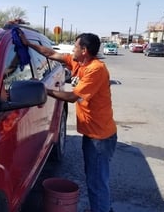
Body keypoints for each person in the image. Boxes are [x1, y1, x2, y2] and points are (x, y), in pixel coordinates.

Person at [20, 30, 117, 212]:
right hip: (93, 133)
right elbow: (51, 53)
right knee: (95, 178)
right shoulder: (79, 62)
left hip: (100, 137)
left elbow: (73, 97)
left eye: (75, 46)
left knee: (96, 181)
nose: (72, 49)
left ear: (84, 50)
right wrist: (29, 44)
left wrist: (43, 89)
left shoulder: (95, 69)